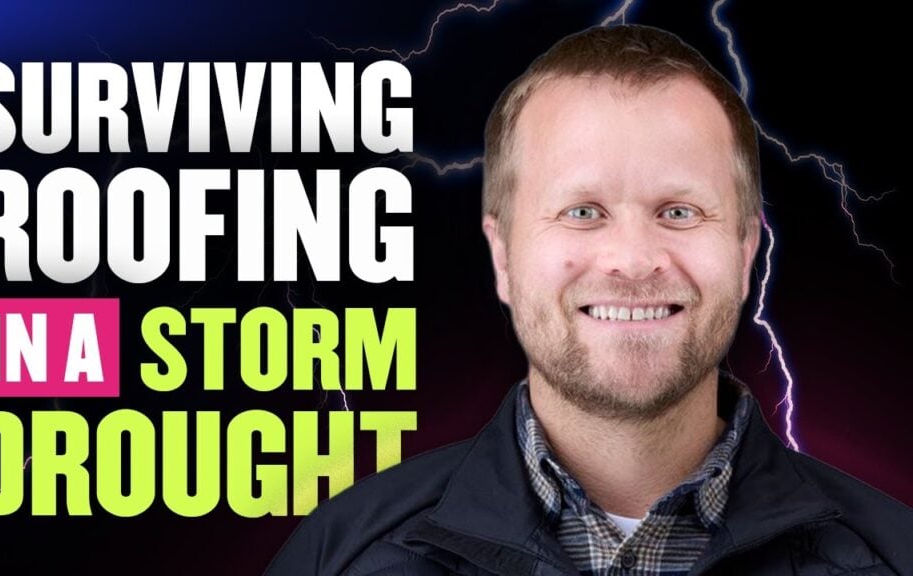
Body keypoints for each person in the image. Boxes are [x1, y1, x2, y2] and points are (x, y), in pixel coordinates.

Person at [267, 25, 913, 575]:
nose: (633, 259)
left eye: (680, 211)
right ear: (502, 255)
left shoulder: (893, 553)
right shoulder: (344, 553)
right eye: (582, 211)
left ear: (745, 253)